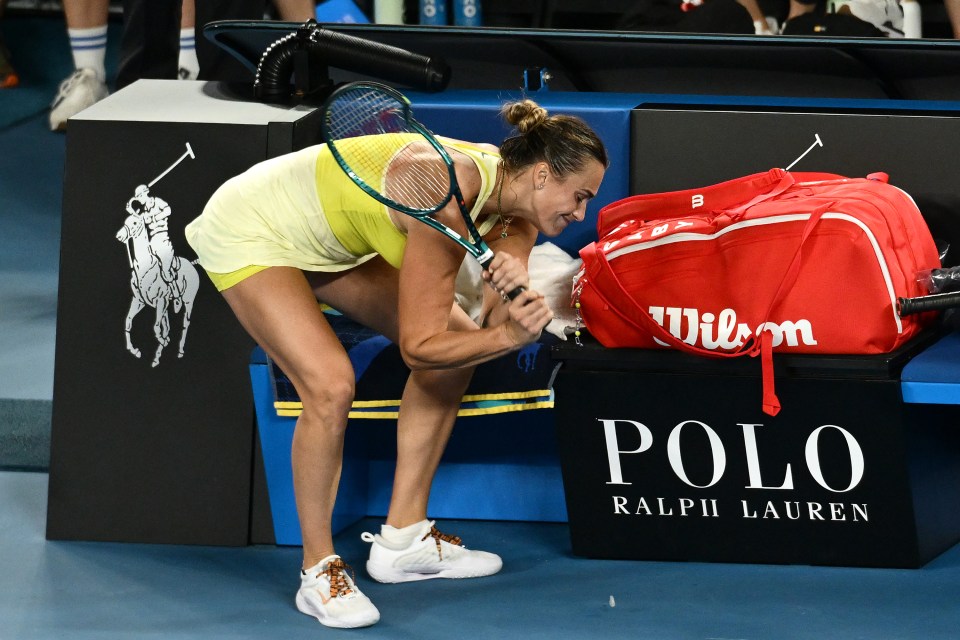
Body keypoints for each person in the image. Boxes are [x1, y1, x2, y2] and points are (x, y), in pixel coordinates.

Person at [184, 98, 608, 629]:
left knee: (457, 354)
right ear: (543, 175)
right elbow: (418, 348)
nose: (581, 215)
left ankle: (403, 540)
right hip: (255, 225)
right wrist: (505, 335)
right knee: (331, 384)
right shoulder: (441, 197)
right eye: (580, 197)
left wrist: (514, 281)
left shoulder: (512, 198)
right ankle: (318, 571)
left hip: (332, 240)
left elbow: (509, 261)